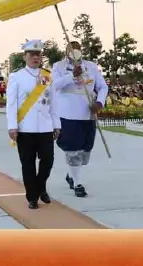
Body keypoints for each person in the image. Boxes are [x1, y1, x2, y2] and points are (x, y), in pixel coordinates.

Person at [6, 39, 60, 209]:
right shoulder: (16, 76)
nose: (35, 57)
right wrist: (12, 126)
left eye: (38, 54)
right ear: (25, 57)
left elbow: (54, 103)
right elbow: (11, 103)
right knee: (28, 164)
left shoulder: (47, 76)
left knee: (48, 161)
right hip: (25, 128)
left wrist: (56, 124)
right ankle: (32, 197)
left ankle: (40, 186)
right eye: (32, 54)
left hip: (45, 126)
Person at [51, 41, 108, 198]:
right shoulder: (58, 67)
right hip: (68, 114)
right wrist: (72, 75)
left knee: (85, 151)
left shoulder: (91, 66)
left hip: (88, 113)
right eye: (71, 49)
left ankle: (71, 174)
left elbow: (103, 86)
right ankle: (77, 183)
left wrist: (99, 102)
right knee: (72, 150)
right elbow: (55, 86)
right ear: (66, 52)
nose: (75, 51)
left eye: (77, 49)